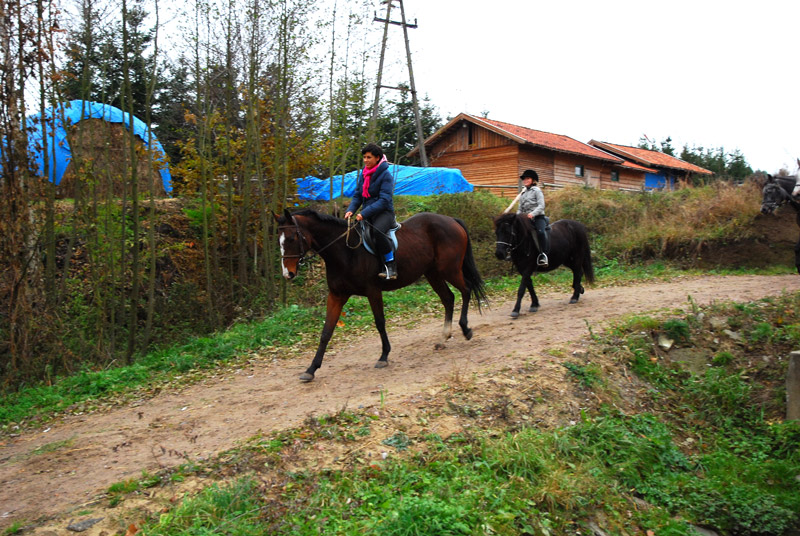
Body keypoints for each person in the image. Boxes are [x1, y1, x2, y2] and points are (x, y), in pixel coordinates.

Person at [345, 143, 398, 279]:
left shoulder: (385, 175)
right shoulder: (364, 174)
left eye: (369, 157)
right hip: (368, 212)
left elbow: (384, 200)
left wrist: (364, 213)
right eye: (364, 157)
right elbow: (358, 195)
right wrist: (351, 210)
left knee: (378, 232)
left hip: (384, 213)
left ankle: (390, 265)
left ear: (377, 158)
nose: (366, 160)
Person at [517, 169, 549, 266]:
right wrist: (518, 216)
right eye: (524, 179)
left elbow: (541, 206)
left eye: (527, 178)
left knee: (540, 232)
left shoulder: (537, 191)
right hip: (525, 219)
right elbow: (520, 208)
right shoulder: (523, 194)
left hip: (538, 217)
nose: (525, 180)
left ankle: (543, 254)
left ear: (533, 180)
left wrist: (532, 214)